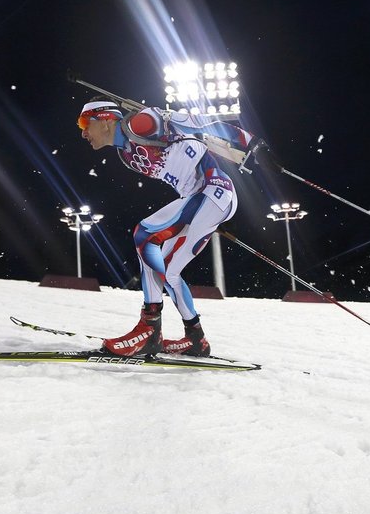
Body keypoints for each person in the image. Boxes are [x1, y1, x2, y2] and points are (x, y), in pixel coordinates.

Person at [77, 99, 257, 357]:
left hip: (213, 191)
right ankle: (196, 338)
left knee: (145, 234)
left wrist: (249, 141)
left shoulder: (140, 124)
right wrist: (199, 217)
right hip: (200, 200)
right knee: (169, 273)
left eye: (85, 123)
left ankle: (149, 330)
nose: (83, 132)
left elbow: (199, 122)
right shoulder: (126, 155)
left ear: (106, 119)